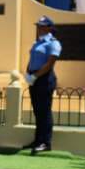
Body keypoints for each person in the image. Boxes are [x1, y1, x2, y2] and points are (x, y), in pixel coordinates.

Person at [24, 16, 61, 155]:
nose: (39, 28)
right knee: (37, 111)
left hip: (45, 79)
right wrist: (28, 73)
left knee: (44, 111)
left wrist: (35, 76)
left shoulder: (53, 43)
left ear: (49, 28)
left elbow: (50, 63)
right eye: (38, 26)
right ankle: (37, 140)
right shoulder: (37, 43)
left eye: (42, 26)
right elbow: (32, 59)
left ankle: (46, 143)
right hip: (34, 78)